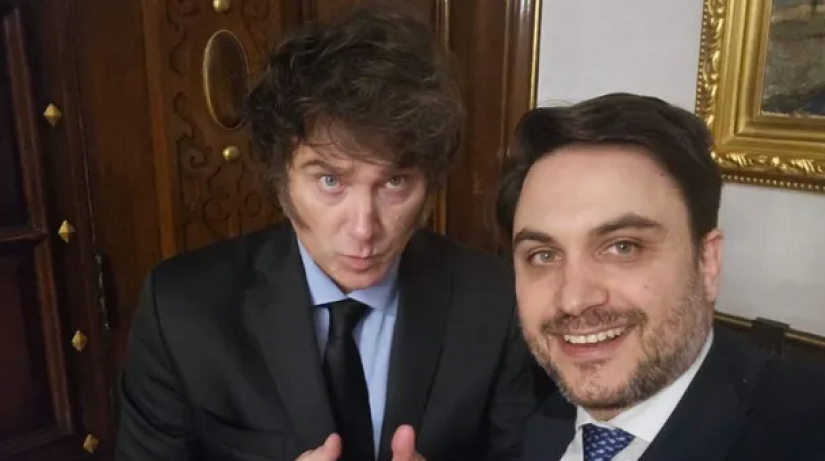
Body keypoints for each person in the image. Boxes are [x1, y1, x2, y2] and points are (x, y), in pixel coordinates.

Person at [116, 5, 536, 461]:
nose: (363, 228)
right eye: (330, 180)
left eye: (395, 182)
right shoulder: (181, 309)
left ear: (429, 185)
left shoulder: (497, 300)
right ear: (281, 177)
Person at [493, 92, 825, 461]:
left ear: (707, 262)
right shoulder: (542, 418)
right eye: (543, 255)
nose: (573, 300)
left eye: (623, 247)